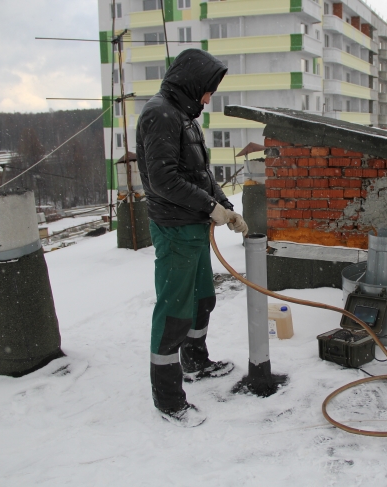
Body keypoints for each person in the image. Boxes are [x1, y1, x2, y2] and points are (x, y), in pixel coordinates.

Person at [136, 49, 248, 427]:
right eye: (207, 90)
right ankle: (167, 396)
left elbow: (200, 173)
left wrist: (226, 206)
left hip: (195, 225)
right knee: (174, 311)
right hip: (175, 229)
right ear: (192, 83)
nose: (208, 98)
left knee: (202, 300)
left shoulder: (184, 116)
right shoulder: (160, 114)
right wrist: (211, 208)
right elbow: (163, 180)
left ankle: (196, 361)